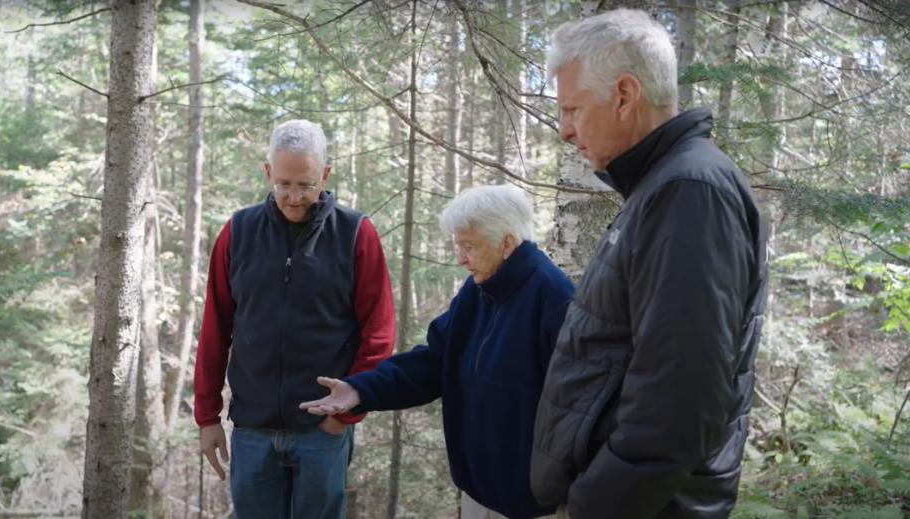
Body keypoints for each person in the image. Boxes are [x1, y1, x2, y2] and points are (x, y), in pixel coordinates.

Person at [530, 8, 768, 519]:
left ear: (623, 95)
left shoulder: (689, 192)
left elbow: (680, 401)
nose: (563, 130)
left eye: (572, 108)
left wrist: (597, 502)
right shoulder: (664, 187)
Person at [299, 184, 577, 519]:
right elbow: (432, 363)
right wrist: (361, 389)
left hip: (535, 504)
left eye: (469, 247)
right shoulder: (477, 294)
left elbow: (576, 408)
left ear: (506, 244)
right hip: (478, 494)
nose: (461, 258)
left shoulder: (555, 298)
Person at [192, 119, 396, 519]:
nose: (293, 196)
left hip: (323, 430)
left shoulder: (356, 234)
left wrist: (345, 415)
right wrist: (207, 416)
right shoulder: (238, 232)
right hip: (252, 430)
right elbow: (215, 329)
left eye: (305, 184)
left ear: (324, 174)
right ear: (268, 171)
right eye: (283, 183)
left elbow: (379, 334)